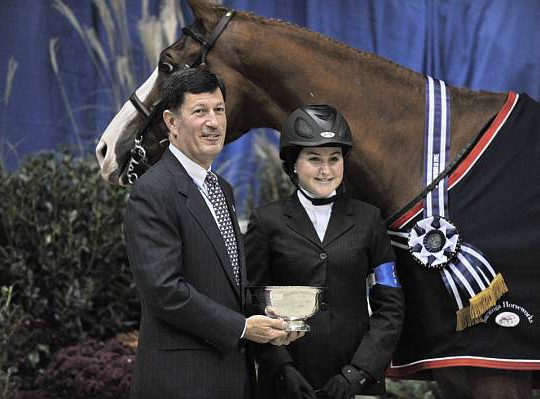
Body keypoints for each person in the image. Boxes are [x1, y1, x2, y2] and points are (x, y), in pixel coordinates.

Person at [124, 67, 298, 399]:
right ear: (171, 123)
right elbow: (164, 291)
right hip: (181, 383)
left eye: (219, 110)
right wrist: (244, 328)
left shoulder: (222, 189)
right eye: (200, 111)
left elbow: (226, 283)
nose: (213, 122)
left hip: (232, 377)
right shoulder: (153, 191)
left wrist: (264, 320)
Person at [245, 104, 405, 399]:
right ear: (293, 163)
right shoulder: (266, 222)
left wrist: (358, 372)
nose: (326, 170)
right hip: (288, 384)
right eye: (314, 159)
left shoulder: (369, 220)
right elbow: (252, 302)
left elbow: (390, 307)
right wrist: (282, 370)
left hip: (356, 382)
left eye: (334, 159)